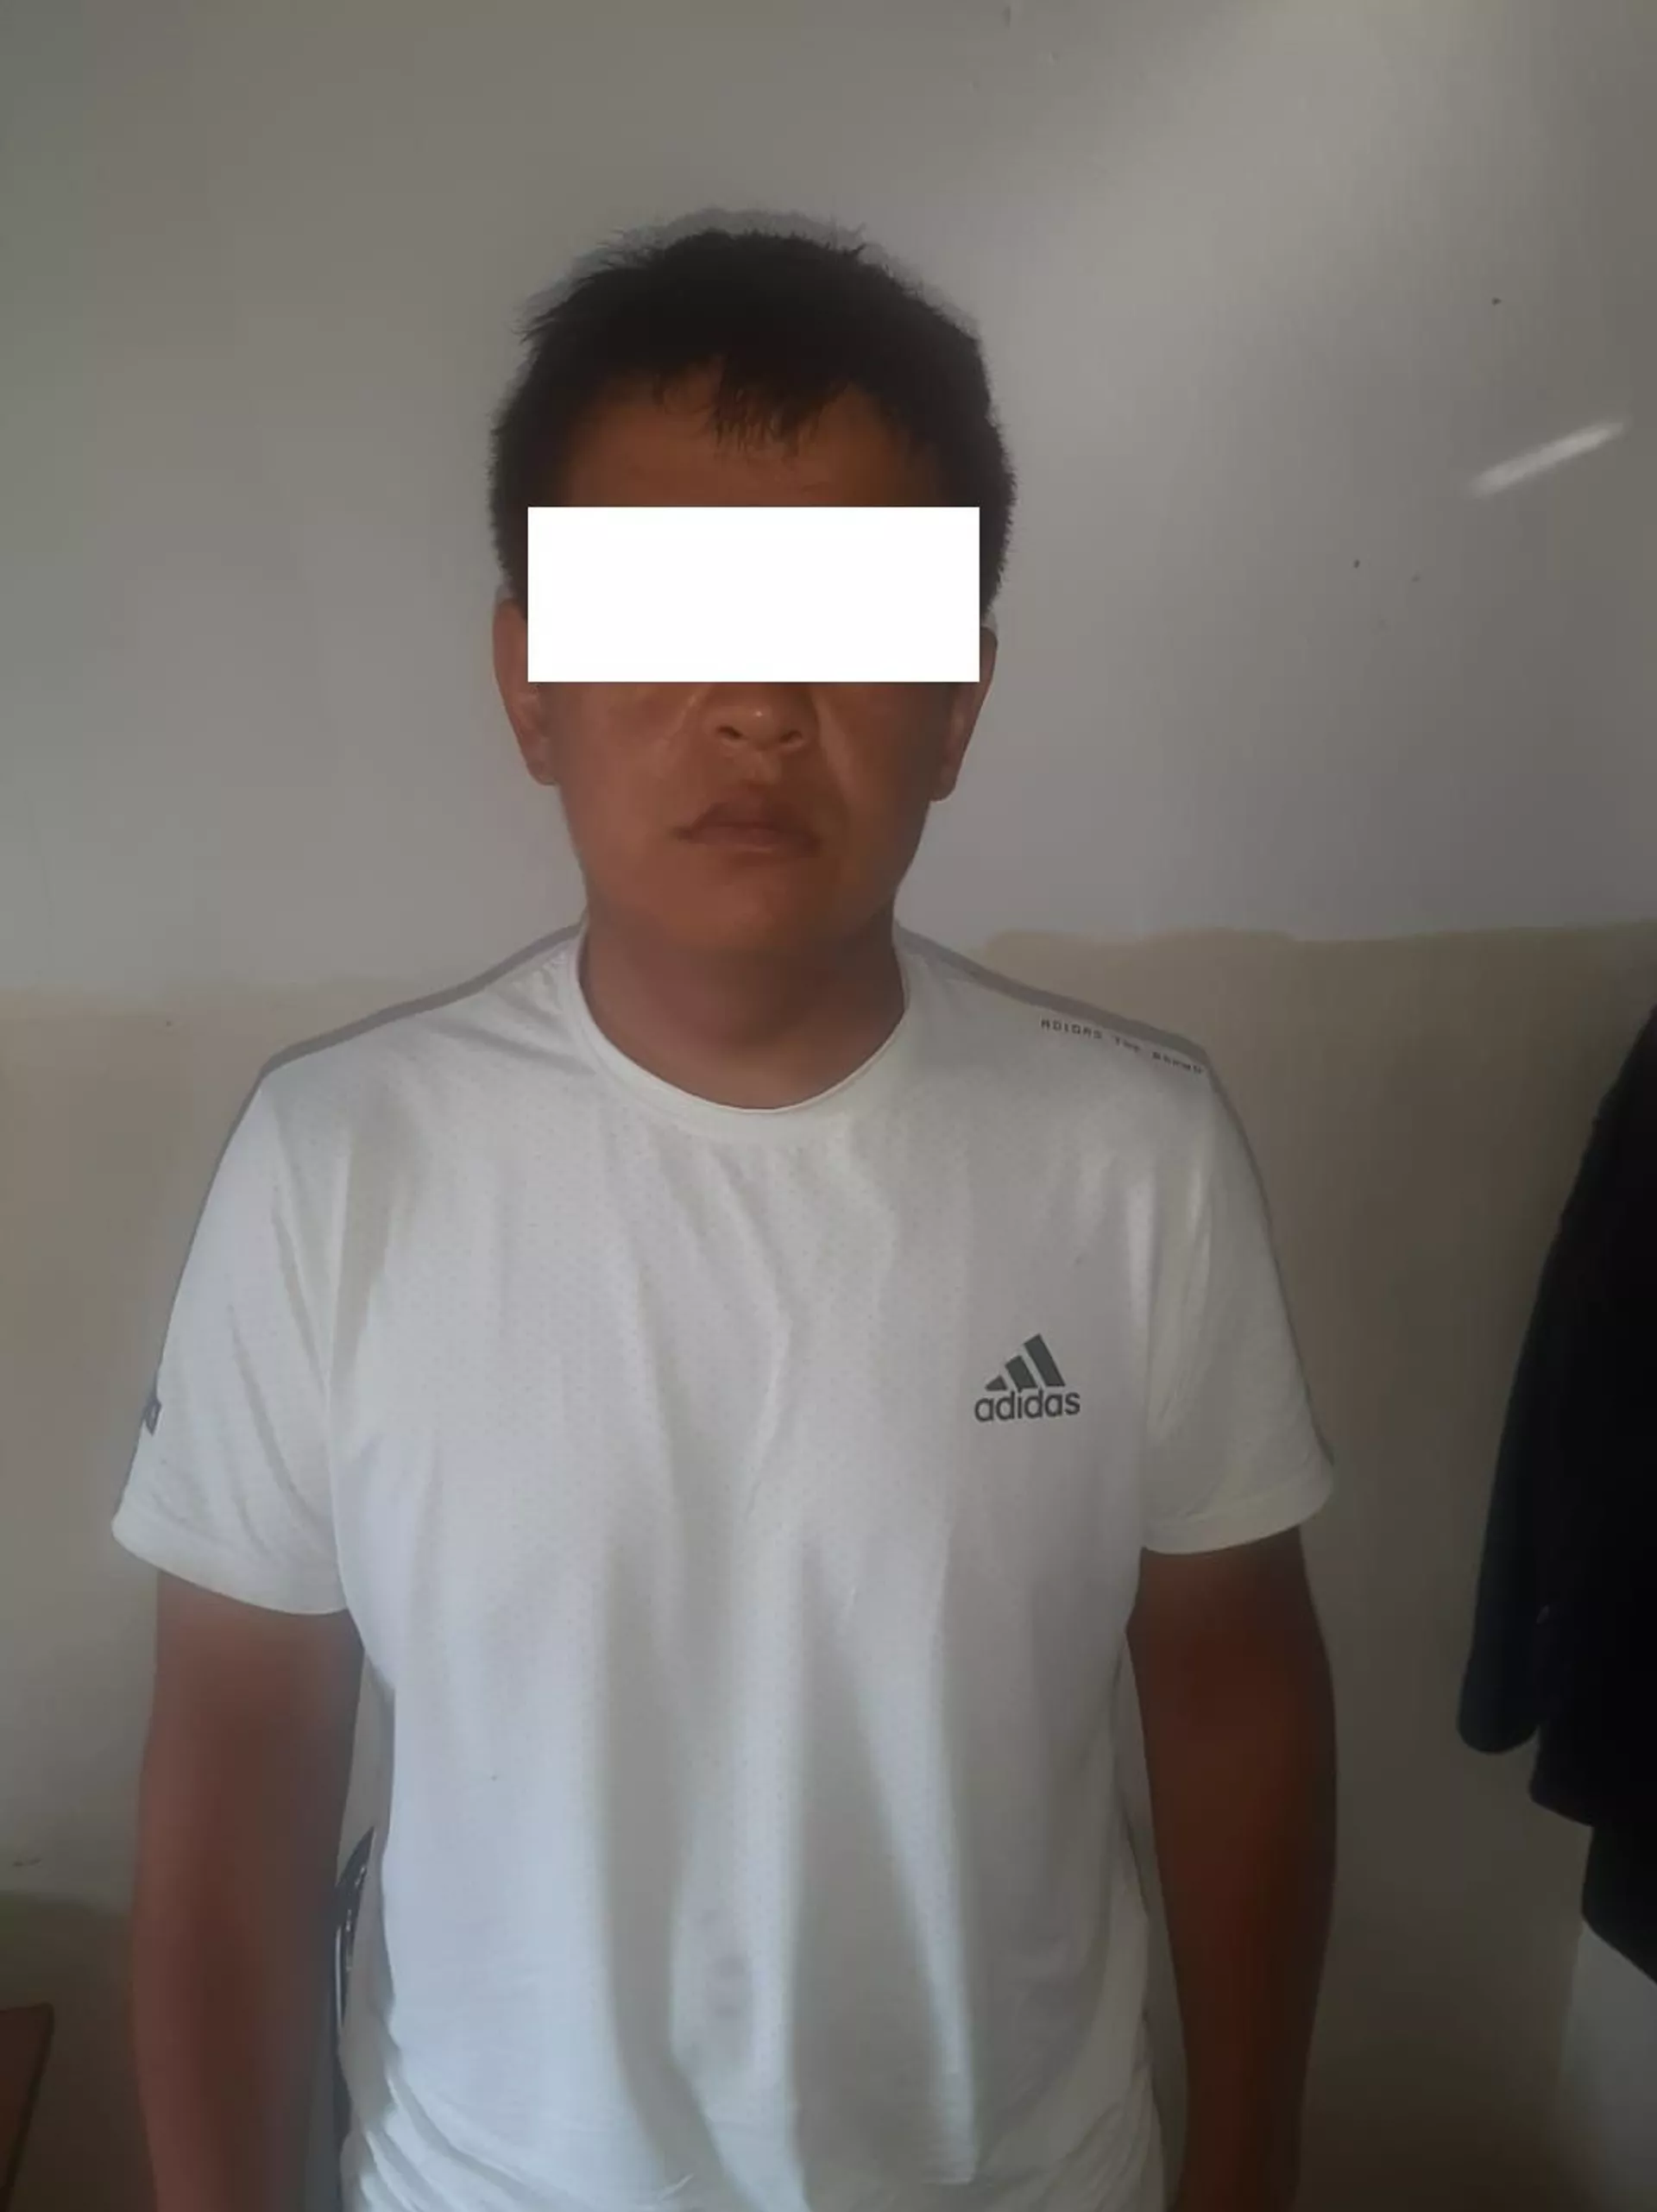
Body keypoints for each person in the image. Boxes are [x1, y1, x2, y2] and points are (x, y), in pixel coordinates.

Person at [115, 224, 1337, 2212]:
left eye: (847, 616)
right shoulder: (335, 1168)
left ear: (958, 702)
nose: (758, 702)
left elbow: (1234, 1696)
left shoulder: (1137, 1157)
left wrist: (1249, 2167)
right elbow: (237, 1780)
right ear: (531, 683)